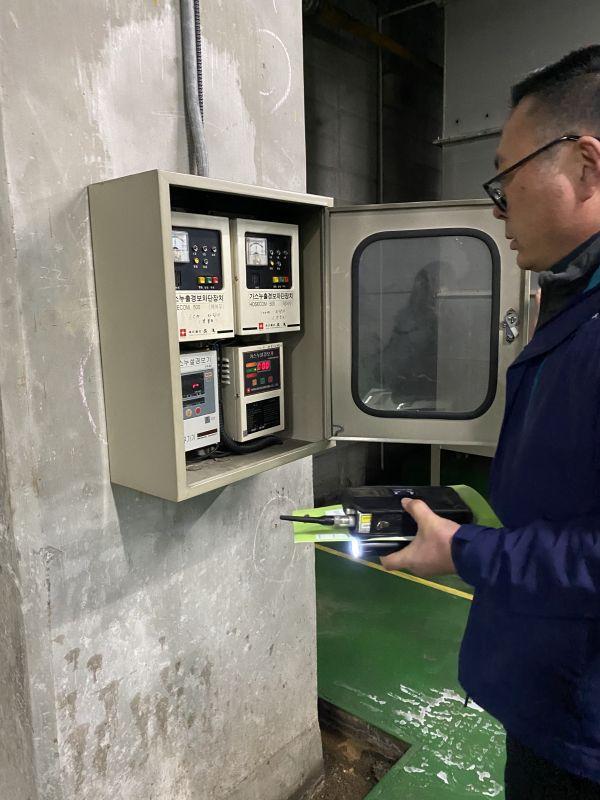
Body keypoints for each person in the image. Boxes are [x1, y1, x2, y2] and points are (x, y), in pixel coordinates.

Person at [381, 45, 600, 799]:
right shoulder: (575, 295)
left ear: (586, 165)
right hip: (553, 685)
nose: (497, 208)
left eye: (507, 177)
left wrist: (466, 551)